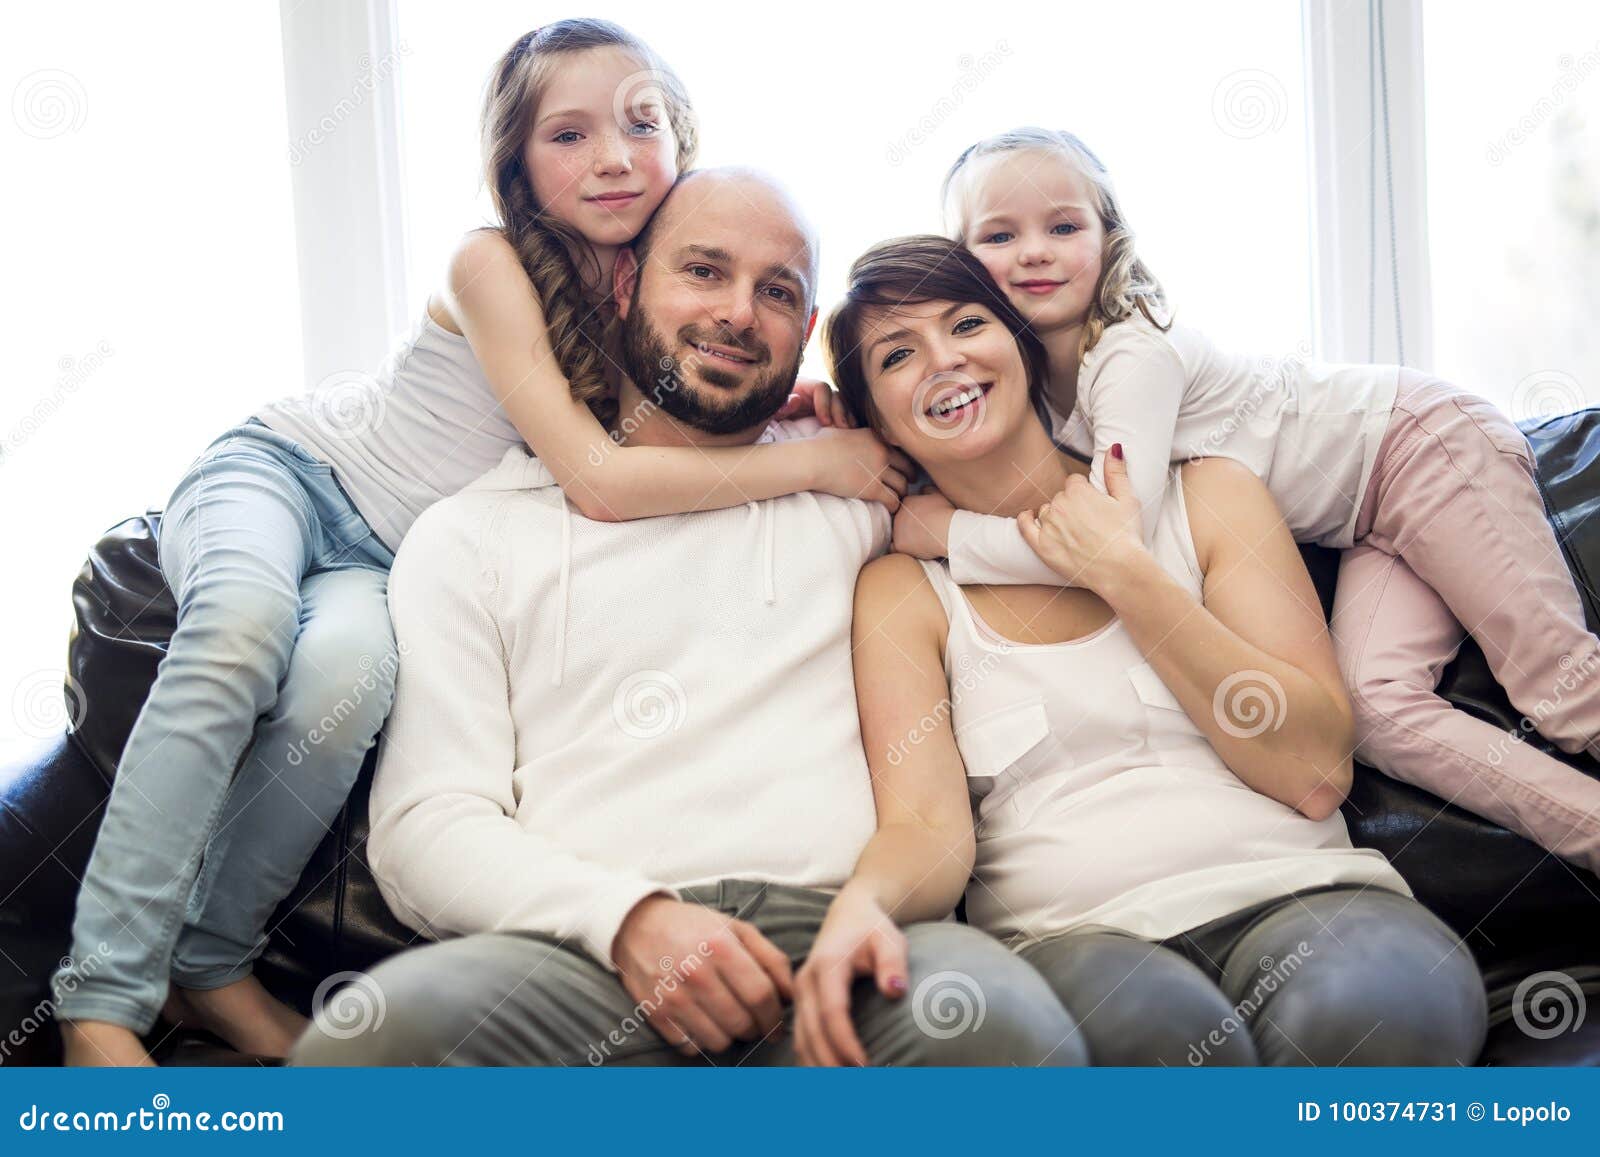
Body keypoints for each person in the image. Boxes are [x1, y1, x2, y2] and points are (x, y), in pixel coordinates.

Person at [52, 18, 906, 1067]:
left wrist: (792, 407)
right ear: (514, 165)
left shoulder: (645, 292)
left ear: (679, 143)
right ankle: (102, 991)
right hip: (293, 476)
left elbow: (690, 388)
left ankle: (211, 957)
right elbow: (597, 481)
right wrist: (815, 462)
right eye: (569, 134)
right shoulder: (489, 261)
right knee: (240, 627)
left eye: (642, 123)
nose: (612, 156)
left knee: (344, 682)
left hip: (377, 559)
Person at [289, 171, 1078, 1068]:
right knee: (377, 1044)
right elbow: (424, 825)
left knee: (1005, 1030)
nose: (740, 313)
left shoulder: (862, 487)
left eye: (777, 291)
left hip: (842, 937)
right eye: (704, 272)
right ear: (625, 287)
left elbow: (1036, 467)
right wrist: (627, 920)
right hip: (581, 958)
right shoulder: (472, 535)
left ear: (807, 331)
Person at [803, 235, 1489, 1066]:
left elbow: (1315, 770)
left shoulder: (1209, 495)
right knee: (1164, 1045)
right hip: (1079, 938)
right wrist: (863, 903)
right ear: (877, 418)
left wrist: (1127, 573)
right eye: (898, 354)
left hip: (1316, 902)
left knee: (1364, 1026)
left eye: (968, 323)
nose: (943, 360)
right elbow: (925, 826)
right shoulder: (906, 590)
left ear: (1022, 347)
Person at [892, 125, 1600, 879]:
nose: (1035, 250)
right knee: (1381, 713)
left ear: (1110, 239)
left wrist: (952, 534)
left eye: (1063, 226)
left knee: (1558, 687)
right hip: (1364, 518)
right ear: (960, 262)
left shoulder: (1130, 351)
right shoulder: (1025, 388)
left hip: (1418, 446)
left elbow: (1114, 537)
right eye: (1000, 235)